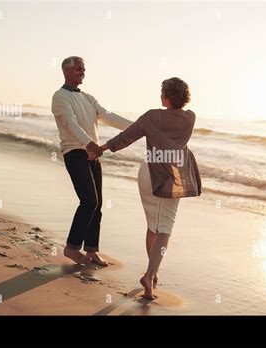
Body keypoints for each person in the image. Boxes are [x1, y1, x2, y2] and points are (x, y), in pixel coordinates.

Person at [101, 77, 202, 299]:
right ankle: (149, 275)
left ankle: (152, 273)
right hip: (170, 175)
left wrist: (102, 148)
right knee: (165, 228)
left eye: (162, 92)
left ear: (166, 96)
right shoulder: (190, 118)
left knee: (153, 226)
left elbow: (127, 136)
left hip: (148, 173)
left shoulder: (151, 116)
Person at [51, 56, 132, 266]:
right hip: (76, 152)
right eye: (78, 69)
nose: (82, 72)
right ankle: (71, 247)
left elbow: (108, 116)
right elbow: (70, 124)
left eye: (84, 69)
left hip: (92, 154)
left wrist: (137, 128)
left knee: (98, 204)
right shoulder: (60, 96)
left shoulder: (87, 97)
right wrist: (88, 144)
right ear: (66, 71)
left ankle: (92, 250)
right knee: (89, 201)